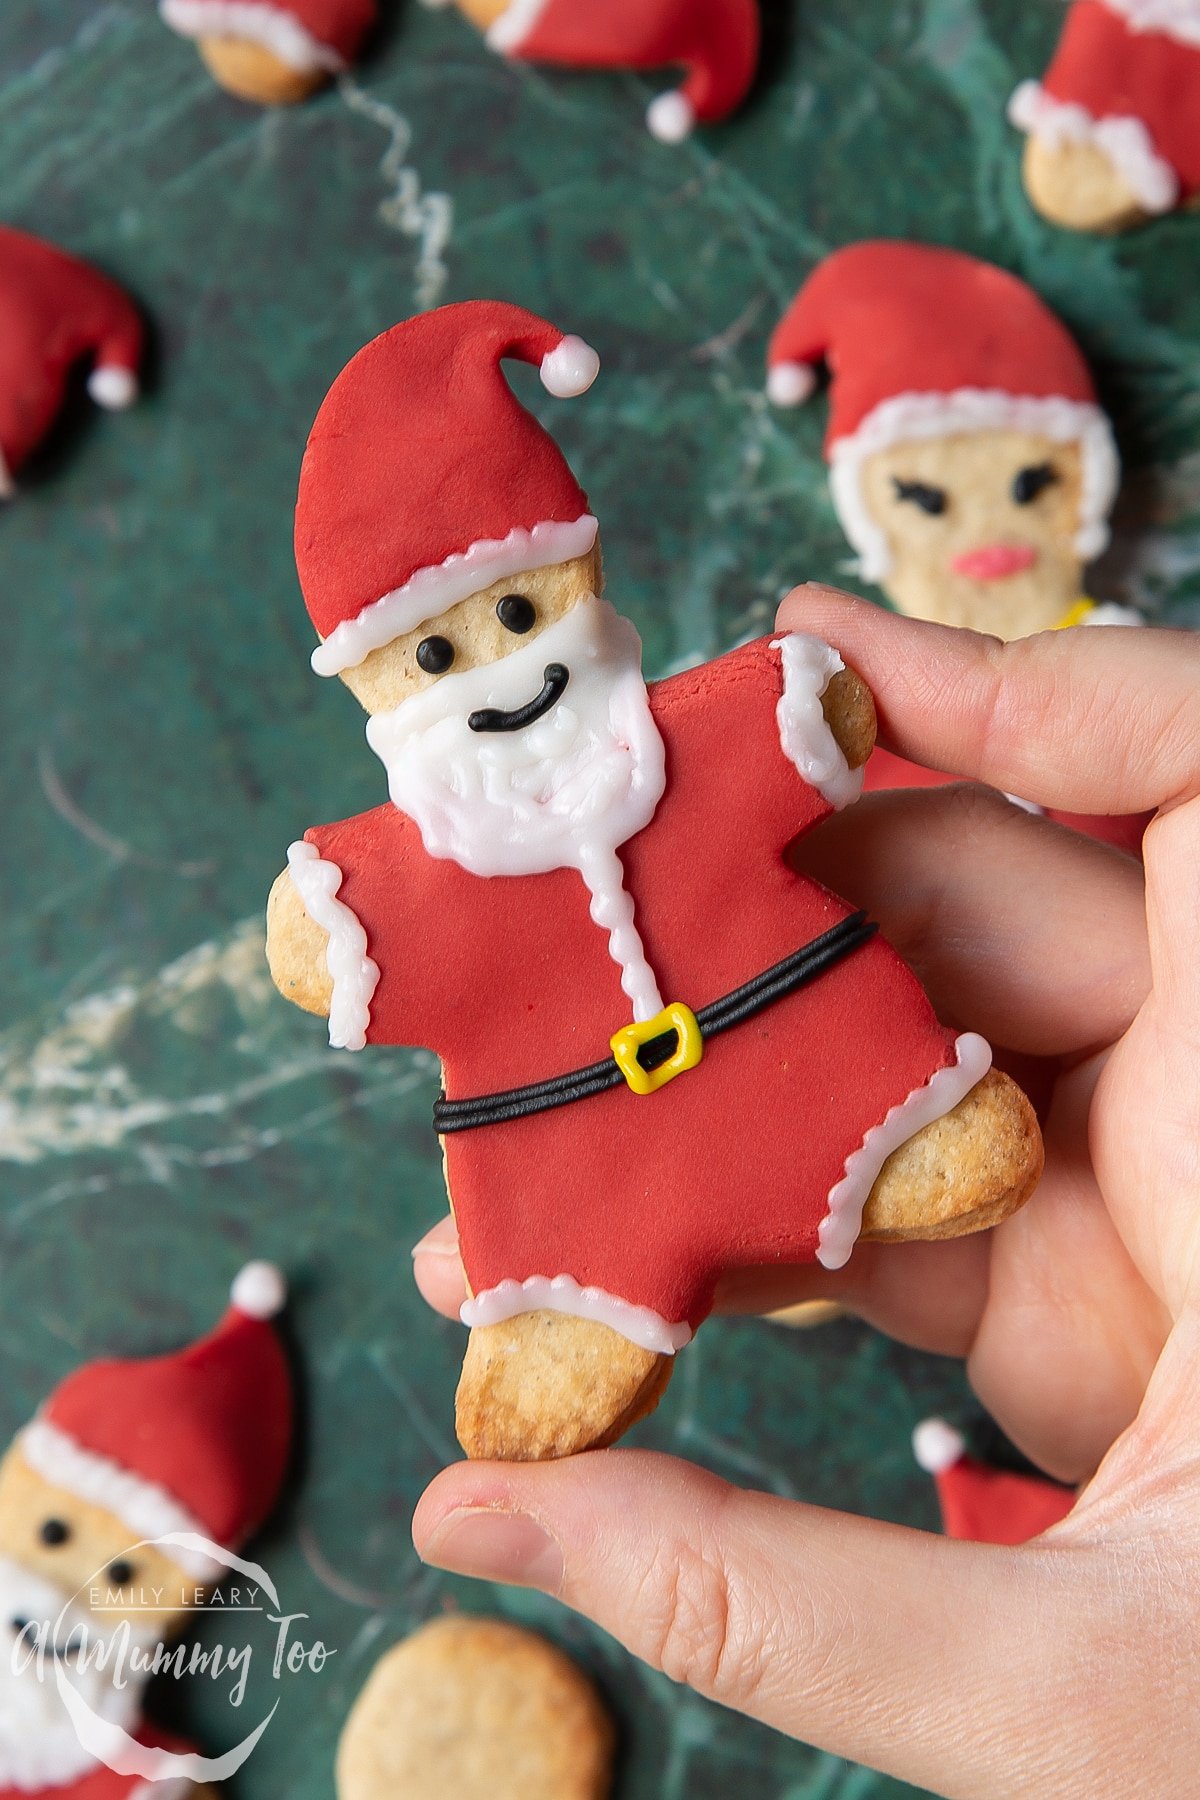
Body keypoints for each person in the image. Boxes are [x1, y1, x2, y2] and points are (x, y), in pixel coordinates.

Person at [411, 583, 1200, 1798]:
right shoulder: (429, 869)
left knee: (929, 1125)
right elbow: (333, 935)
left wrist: (794, 696)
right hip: (576, 1178)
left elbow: (807, 704)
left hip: (826, 1066)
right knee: (559, 1286)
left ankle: (913, 1130)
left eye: (520, 616)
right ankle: (560, 1315)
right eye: (436, 650)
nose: (505, 673)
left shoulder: (682, 745)